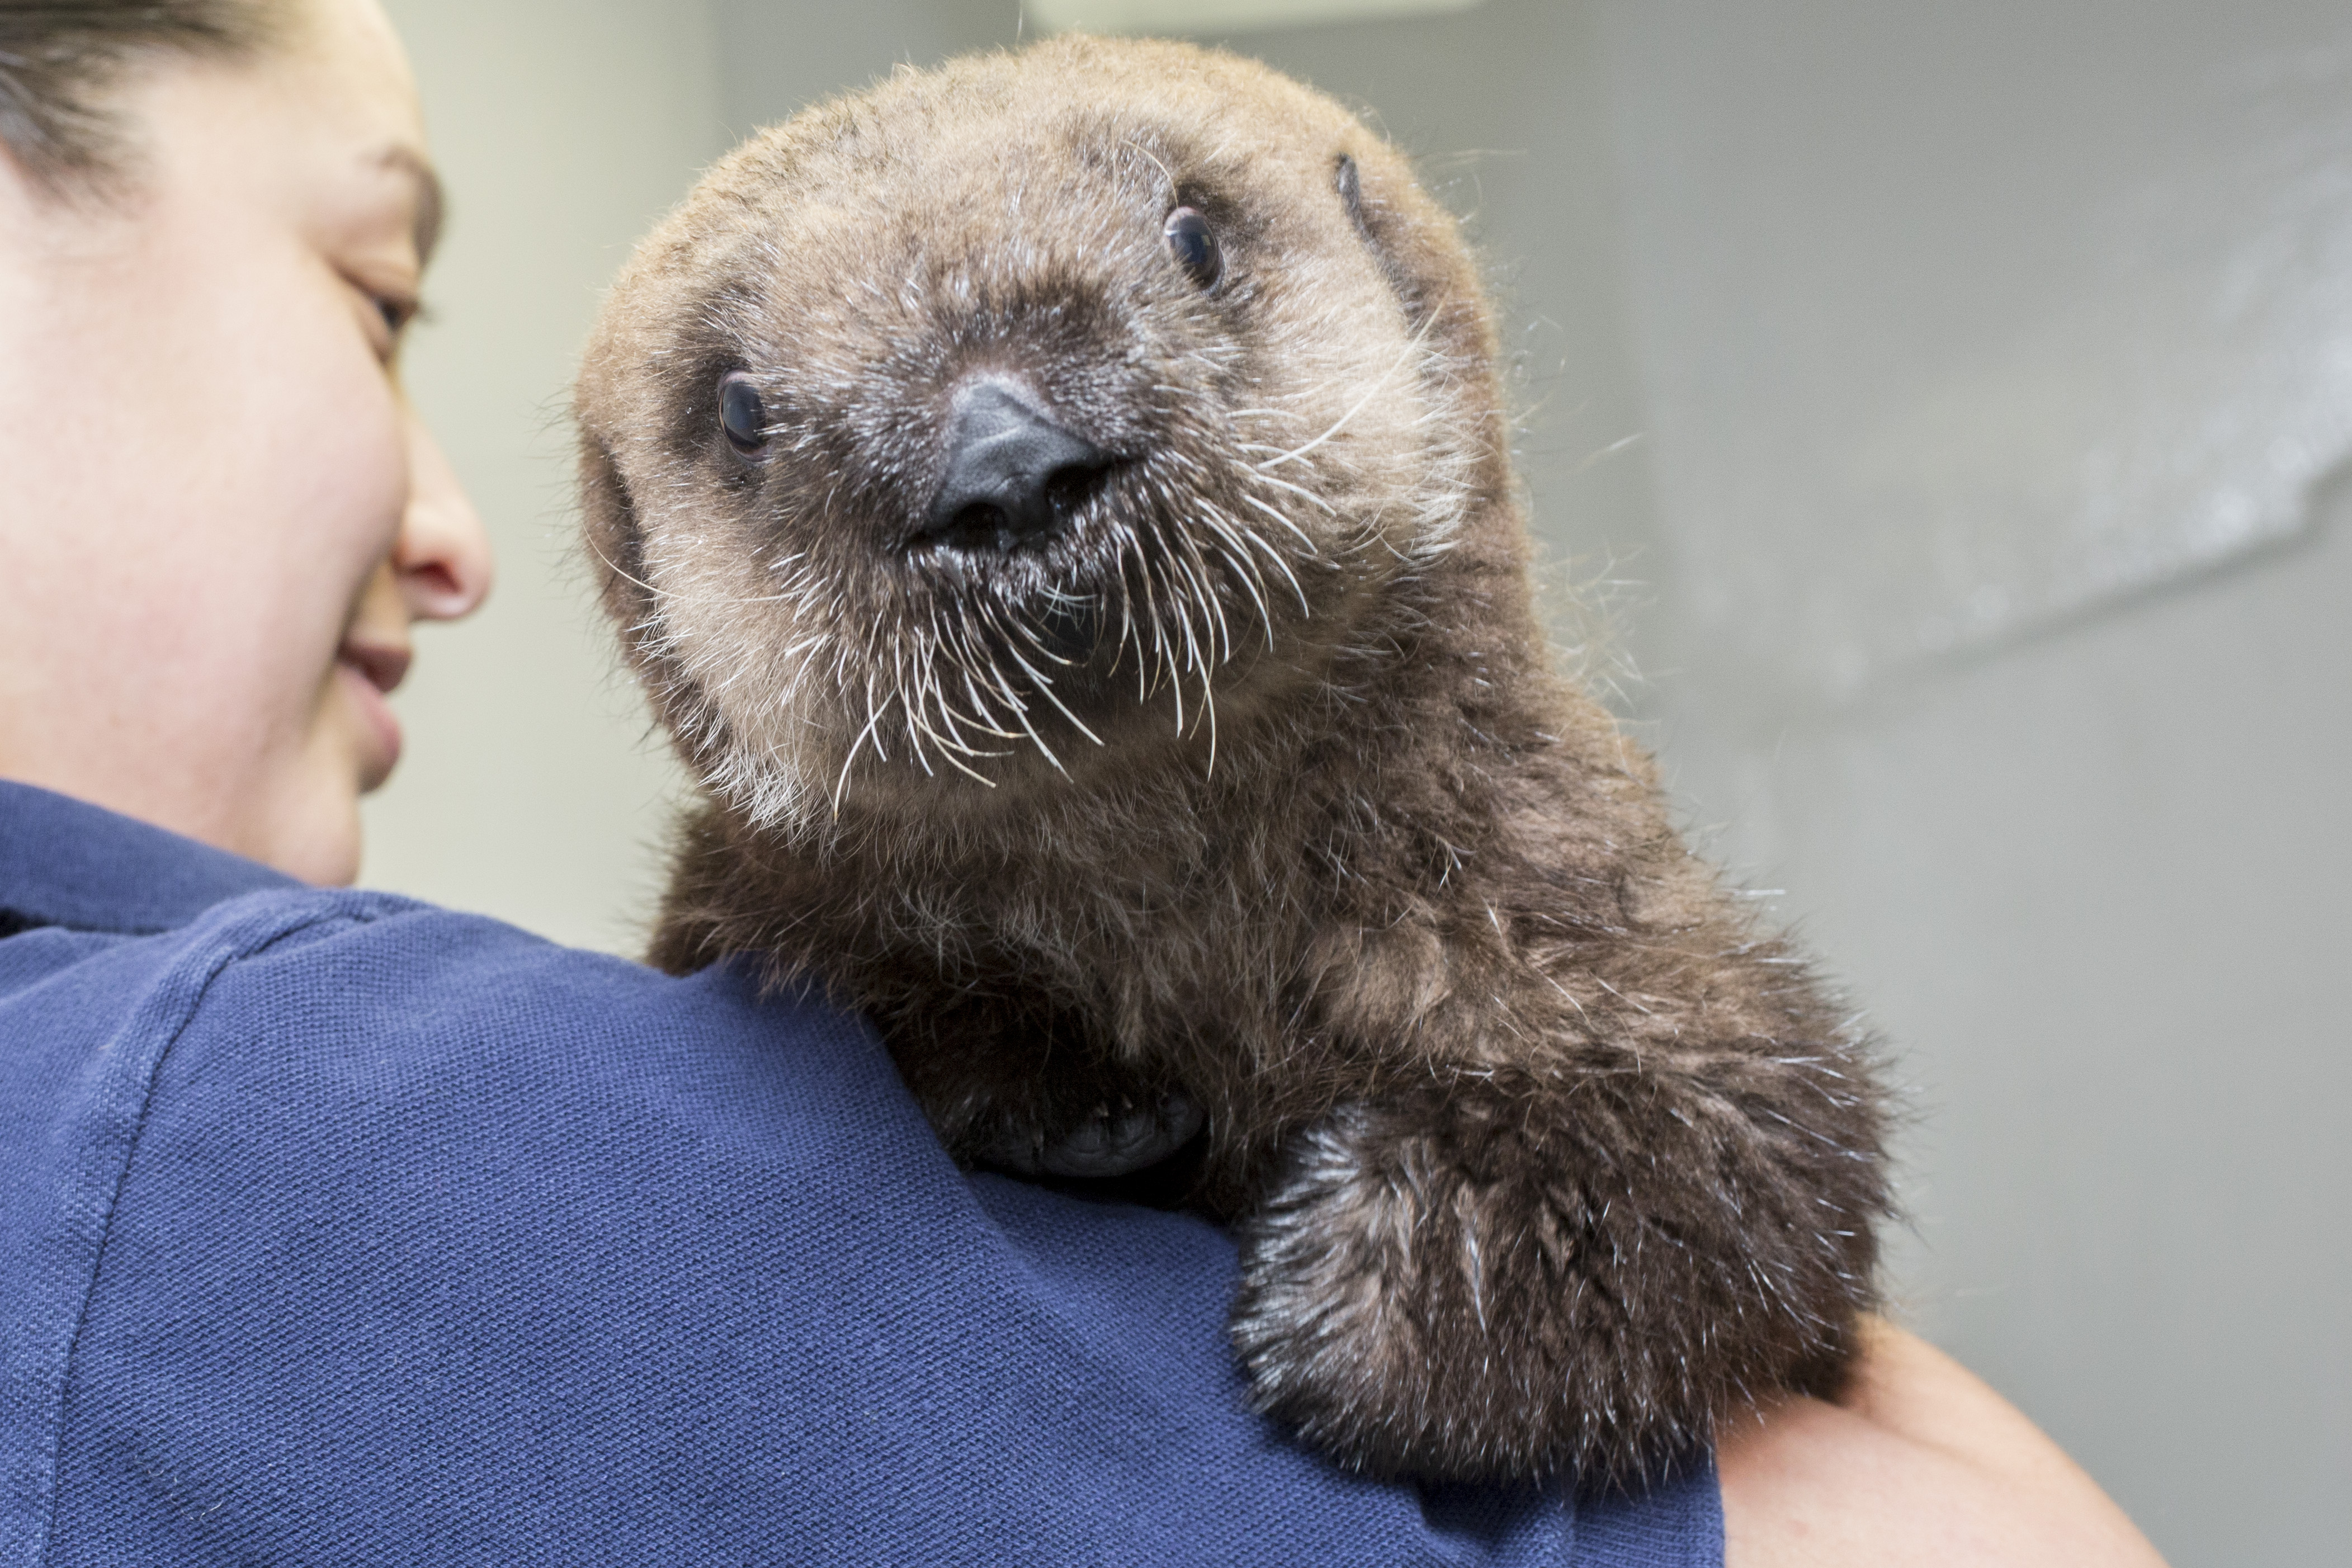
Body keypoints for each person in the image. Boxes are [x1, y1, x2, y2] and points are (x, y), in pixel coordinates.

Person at [0, 1, 2168, 1562]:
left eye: (1196, 258)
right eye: (377, 298)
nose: (999, 452)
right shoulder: (216, 1141)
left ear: (1408, 294)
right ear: (643, 587)